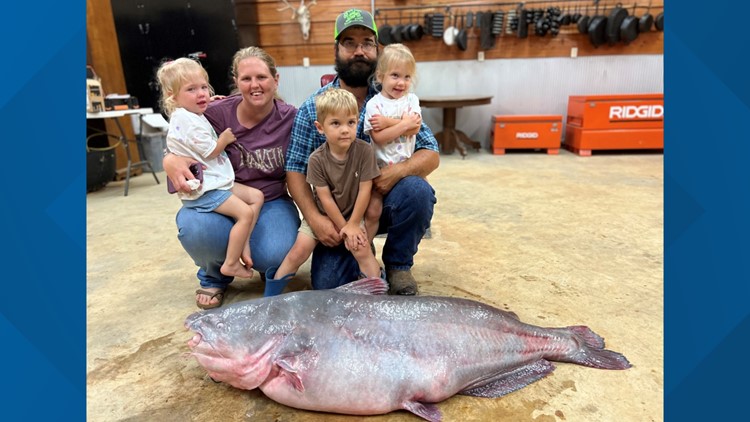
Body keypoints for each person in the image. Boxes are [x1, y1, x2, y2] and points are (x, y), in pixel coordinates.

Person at [286, 9, 439, 295]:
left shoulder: (395, 100)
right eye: (349, 43)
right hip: (337, 214)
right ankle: (360, 250)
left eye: (367, 43)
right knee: (329, 286)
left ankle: (398, 265)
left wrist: (397, 172)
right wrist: (316, 220)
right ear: (336, 49)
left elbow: (431, 153)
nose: (359, 51)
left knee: (417, 191)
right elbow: (295, 169)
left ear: (377, 50)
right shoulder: (314, 107)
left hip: (383, 199)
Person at [163, 47, 299, 308]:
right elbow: (180, 137)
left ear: (276, 80)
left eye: (261, 77)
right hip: (219, 196)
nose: (254, 85)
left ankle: (257, 259)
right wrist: (168, 159)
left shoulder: (290, 118)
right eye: (246, 79)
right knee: (198, 229)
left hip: (270, 200)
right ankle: (213, 275)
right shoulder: (213, 113)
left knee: (275, 252)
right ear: (236, 82)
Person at [156, 58, 264, 292]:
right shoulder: (186, 119)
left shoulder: (190, 113)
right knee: (245, 213)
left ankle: (243, 243)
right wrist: (223, 140)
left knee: (256, 196)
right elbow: (209, 150)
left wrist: (208, 103)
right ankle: (231, 263)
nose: (201, 94)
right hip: (206, 188)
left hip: (217, 183)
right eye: (191, 89)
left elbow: (198, 121)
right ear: (172, 96)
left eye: (204, 87)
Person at [265, 88, 382, 295]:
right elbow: (325, 198)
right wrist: (343, 226)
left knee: (362, 250)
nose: (345, 129)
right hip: (324, 216)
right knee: (297, 253)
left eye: (351, 122)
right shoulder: (316, 159)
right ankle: (270, 297)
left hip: (354, 214)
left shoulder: (364, 151)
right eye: (336, 123)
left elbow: (366, 189)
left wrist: (353, 224)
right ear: (320, 127)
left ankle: (378, 295)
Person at [362, 43, 422, 241]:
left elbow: (415, 127)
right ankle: (365, 250)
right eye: (395, 75)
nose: (401, 83)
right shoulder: (374, 104)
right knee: (372, 212)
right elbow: (378, 138)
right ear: (381, 76)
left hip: (406, 169)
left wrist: (388, 122)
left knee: (421, 198)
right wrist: (404, 123)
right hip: (378, 171)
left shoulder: (411, 100)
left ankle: (399, 258)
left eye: (407, 77)